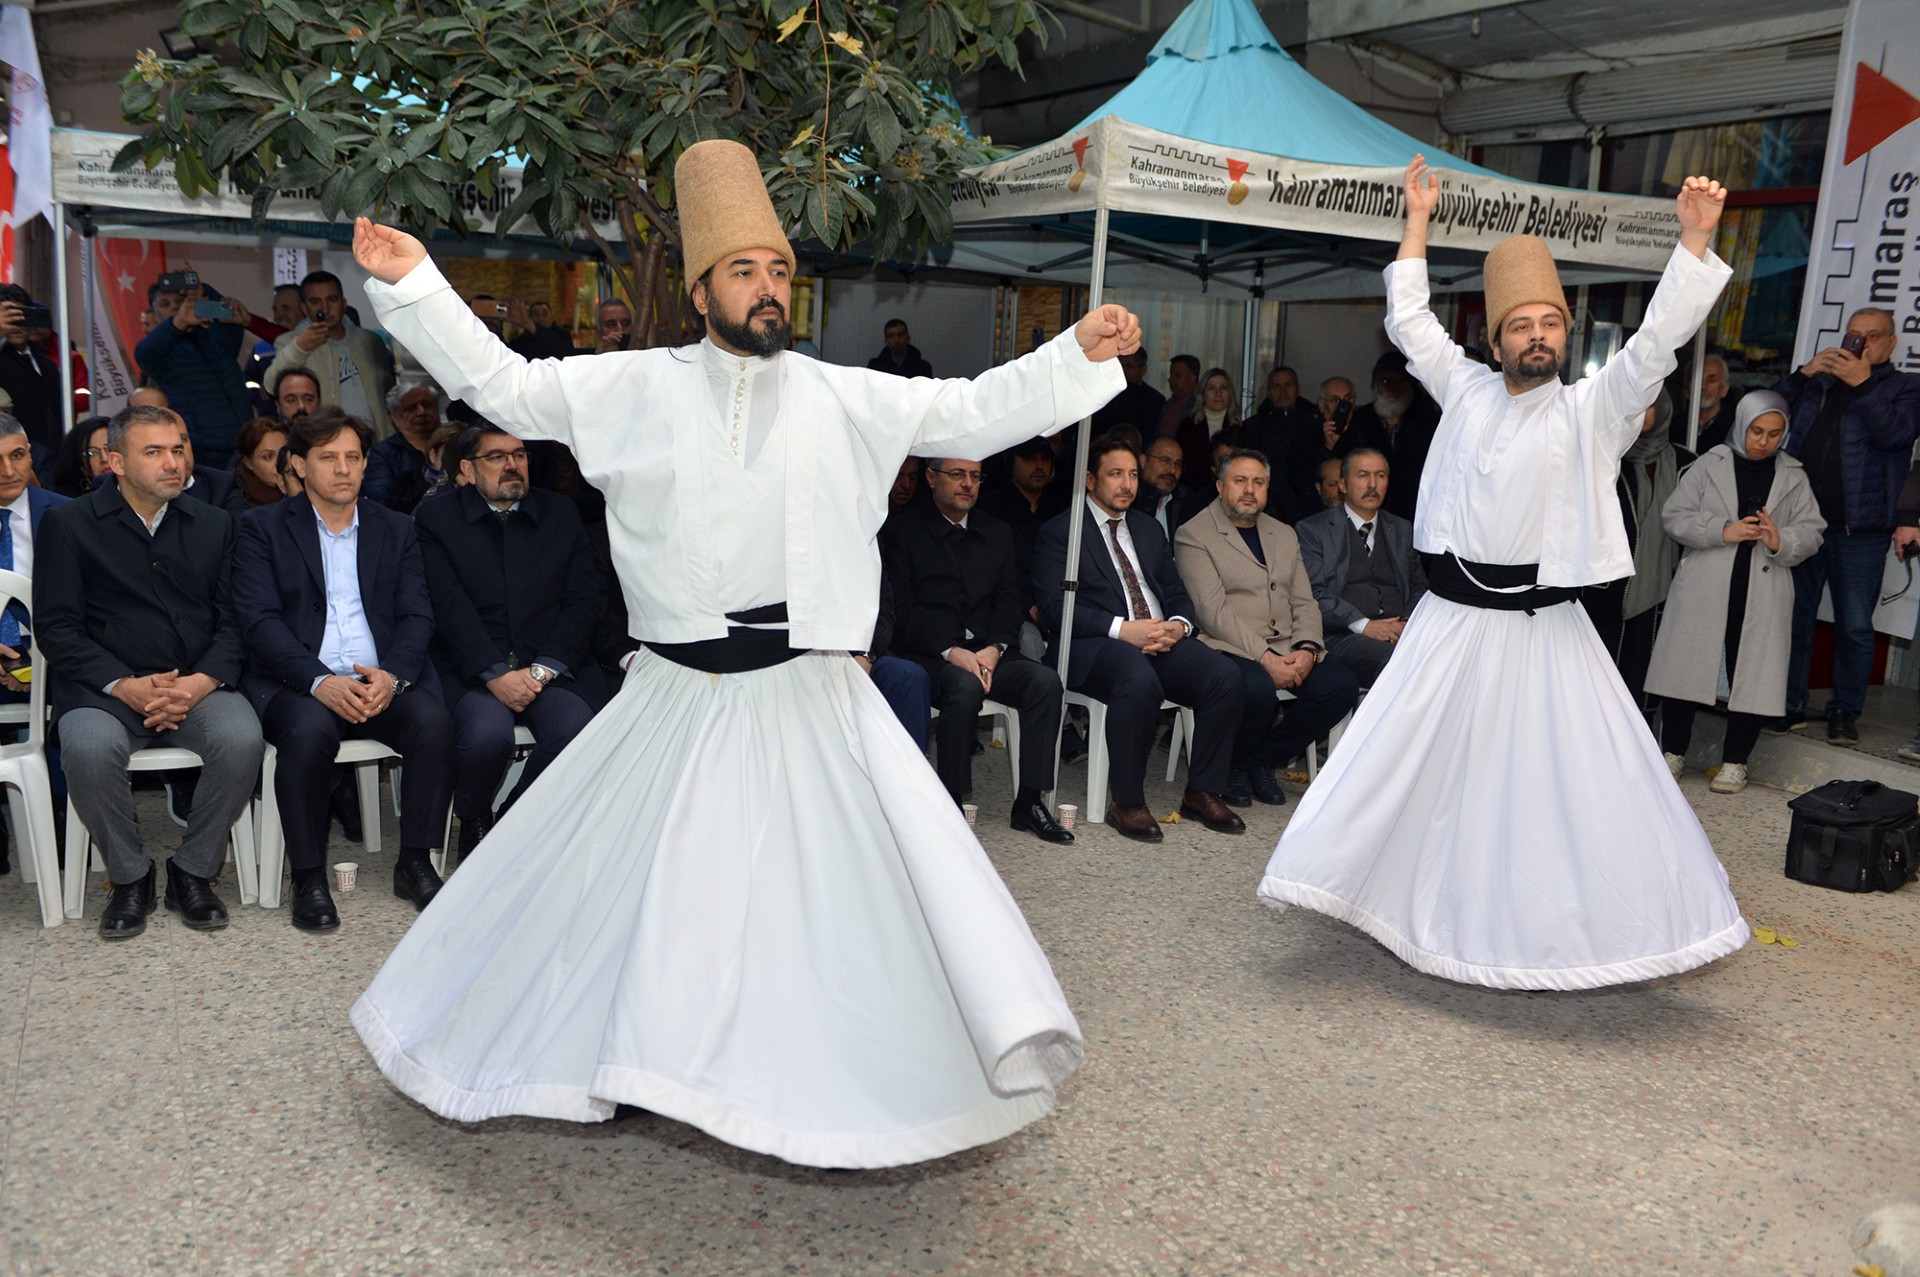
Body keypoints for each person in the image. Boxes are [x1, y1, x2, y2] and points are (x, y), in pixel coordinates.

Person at [345, 137, 1134, 1169]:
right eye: (746, 271)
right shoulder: (625, 387)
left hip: (807, 695)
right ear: (699, 284)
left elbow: (971, 413)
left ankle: (809, 1082)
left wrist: (1077, 350)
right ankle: (635, 1057)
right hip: (673, 695)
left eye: (780, 273)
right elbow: (502, 382)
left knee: (823, 911)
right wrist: (415, 286)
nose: (769, 291)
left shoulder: (851, 395)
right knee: (638, 895)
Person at [1256, 155, 1748, 990]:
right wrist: (1417, 221)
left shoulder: (1597, 411)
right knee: (1408, 770)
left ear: (1565, 332)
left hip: (1543, 629)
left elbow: (1657, 343)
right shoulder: (1466, 389)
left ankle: (1555, 935)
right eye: (1521, 325)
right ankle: (1403, 910)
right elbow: (1410, 320)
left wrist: (1694, 242)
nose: (1537, 337)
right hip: (1448, 623)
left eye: (1549, 324)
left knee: (1569, 790)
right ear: (1496, 337)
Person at [36, 404, 263, 940]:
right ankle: (130, 875)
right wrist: (124, 684)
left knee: (241, 738)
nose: (172, 463)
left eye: (178, 449)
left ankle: (193, 869)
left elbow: (235, 621)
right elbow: (57, 627)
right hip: (104, 688)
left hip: (196, 684)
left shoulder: (215, 522)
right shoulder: (68, 524)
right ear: (114, 462)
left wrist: (200, 681)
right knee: (88, 748)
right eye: (154, 452)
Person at [232, 408, 455, 932]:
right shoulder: (261, 528)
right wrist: (318, 681)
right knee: (307, 733)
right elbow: (258, 622)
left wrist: (392, 677)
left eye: (353, 457)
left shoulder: (395, 528)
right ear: (299, 466)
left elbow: (417, 613)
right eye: (328, 457)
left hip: (379, 680)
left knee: (435, 724)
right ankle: (308, 875)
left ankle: (416, 861)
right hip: (299, 681)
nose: (343, 469)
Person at [1032, 435, 1245, 843]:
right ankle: (1126, 801)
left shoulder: (1147, 529)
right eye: (1116, 475)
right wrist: (1121, 629)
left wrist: (1178, 626)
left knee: (1225, 676)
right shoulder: (1063, 531)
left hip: (1159, 637)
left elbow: (1177, 590)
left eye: (1132, 474)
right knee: (1138, 680)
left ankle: (1202, 791)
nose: (1127, 484)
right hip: (1094, 646)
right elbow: (1054, 608)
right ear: (1091, 480)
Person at [414, 423, 606, 858]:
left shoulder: (560, 512)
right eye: (496, 457)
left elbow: (583, 600)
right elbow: (447, 607)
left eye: (518, 455)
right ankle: (474, 815)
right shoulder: (437, 519)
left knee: (577, 730)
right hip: (470, 669)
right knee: (486, 735)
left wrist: (541, 671)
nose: (511, 465)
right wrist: (493, 673)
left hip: (548, 667)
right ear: (466, 469)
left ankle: (512, 823)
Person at [883, 458, 1072, 841]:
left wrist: (995, 649)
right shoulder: (901, 532)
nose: (968, 484)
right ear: (932, 478)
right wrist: (950, 652)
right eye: (957, 475)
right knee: (963, 688)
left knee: (1045, 682)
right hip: (930, 654)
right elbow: (900, 610)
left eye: (975, 476)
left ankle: (1030, 801)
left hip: (989, 651)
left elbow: (1009, 600)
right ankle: (951, 801)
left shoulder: (997, 531)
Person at [1645, 392, 1823, 795]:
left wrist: (1782, 539)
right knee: (1686, 669)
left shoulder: (1794, 474)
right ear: (1742, 425)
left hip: (1764, 586)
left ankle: (1735, 762)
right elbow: (1675, 516)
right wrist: (1721, 530)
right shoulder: (1709, 464)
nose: (1764, 441)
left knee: (1754, 675)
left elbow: (1813, 531)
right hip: (1707, 582)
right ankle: (1673, 753)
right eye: (1757, 431)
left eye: (1775, 434)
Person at [1174, 449, 1358, 807]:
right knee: (1256, 688)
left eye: (1258, 482)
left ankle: (1265, 756)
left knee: (1340, 686)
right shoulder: (1194, 534)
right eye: (1240, 481)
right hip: (1229, 645)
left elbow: (1304, 601)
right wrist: (1265, 656)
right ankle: (1235, 765)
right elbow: (1213, 612)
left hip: (1289, 644)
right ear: (1220, 485)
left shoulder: (1283, 533)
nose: (1249, 490)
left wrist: (1307, 649)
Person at [1773, 306, 1920, 743]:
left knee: (1854, 625)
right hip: (1802, 523)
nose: (1861, 343)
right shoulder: (1819, 383)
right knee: (1793, 618)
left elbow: (1896, 435)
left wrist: (1863, 383)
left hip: (1861, 529)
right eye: (1854, 335)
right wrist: (1802, 375)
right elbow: (1764, 414)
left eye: (1873, 336)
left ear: (1892, 343)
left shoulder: (1906, 387)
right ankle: (1790, 704)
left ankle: (1845, 710)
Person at [1580, 391, 1688, 712]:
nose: (1640, 413)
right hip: (1605, 589)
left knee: (1643, 676)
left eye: (1649, 406)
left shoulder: (1687, 464)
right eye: (1633, 405)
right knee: (1595, 678)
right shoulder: (1604, 459)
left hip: (1663, 590)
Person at [1295, 447, 1427, 687]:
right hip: (1343, 635)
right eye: (1363, 475)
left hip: (1402, 632)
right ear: (1343, 485)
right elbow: (1313, 593)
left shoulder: (1401, 529)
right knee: (1401, 662)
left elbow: (1420, 588)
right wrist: (1365, 626)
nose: (1373, 484)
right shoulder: (1313, 530)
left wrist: (1407, 624)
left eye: (1380, 476)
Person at [133, 277, 255, 468]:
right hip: (205, 453)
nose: (176, 308)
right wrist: (178, 322)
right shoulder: (156, 352)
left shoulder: (215, 337)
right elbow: (145, 353)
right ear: (155, 316)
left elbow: (228, 315)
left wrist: (204, 290)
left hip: (247, 445)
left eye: (180, 301)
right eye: (166, 304)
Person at [264, 271, 397, 438]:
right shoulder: (290, 342)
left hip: (376, 445)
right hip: (324, 444)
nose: (325, 308)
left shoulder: (371, 342)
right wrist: (300, 347)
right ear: (304, 308)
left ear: (343, 304)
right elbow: (271, 385)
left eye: (332, 300)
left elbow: (389, 395)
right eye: (315, 302)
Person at [1340, 353, 1438, 522]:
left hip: (1414, 513)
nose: (1392, 388)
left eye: (1398, 382)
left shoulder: (1426, 421)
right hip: (1369, 513)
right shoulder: (1360, 420)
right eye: (1385, 382)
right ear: (1375, 385)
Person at [1245, 365, 1321, 517]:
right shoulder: (1253, 426)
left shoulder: (1315, 423)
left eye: (1288, 385)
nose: (1282, 391)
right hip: (1267, 505)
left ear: (1297, 388)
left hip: (1308, 505)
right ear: (1268, 392)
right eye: (1276, 386)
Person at [365, 383, 444, 508]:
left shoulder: (453, 441)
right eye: (411, 408)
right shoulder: (383, 453)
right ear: (394, 417)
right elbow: (380, 499)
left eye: (427, 404)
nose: (421, 412)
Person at [1178, 368, 1241, 490]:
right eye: (1212, 388)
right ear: (1202, 394)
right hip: (1194, 492)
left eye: (1223, 388)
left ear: (1230, 394)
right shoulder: (1187, 426)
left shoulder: (1240, 428)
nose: (1218, 394)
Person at [1091, 347, 1167, 440]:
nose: (1123, 370)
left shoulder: (1154, 399)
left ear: (1143, 368)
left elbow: (1149, 434)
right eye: (1120, 365)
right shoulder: (1105, 392)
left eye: (1129, 366)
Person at [231, 417, 290, 509]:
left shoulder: (305, 483)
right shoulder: (234, 497)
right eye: (268, 457)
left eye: (284, 453)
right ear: (248, 463)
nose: (280, 462)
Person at [47, 415, 110, 499]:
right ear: (81, 465)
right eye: (92, 453)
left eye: (110, 448)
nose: (104, 458)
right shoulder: (69, 505)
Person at [867, 318, 933, 377]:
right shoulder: (875, 367)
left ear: (908, 338)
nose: (897, 340)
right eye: (892, 336)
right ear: (886, 341)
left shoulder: (923, 367)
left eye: (901, 335)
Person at [1156, 354, 1199, 438]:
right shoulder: (1167, 404)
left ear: (1192, 378)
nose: (1170, 379)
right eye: (1171, 374)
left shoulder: (1199, 406)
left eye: (1177, 375)